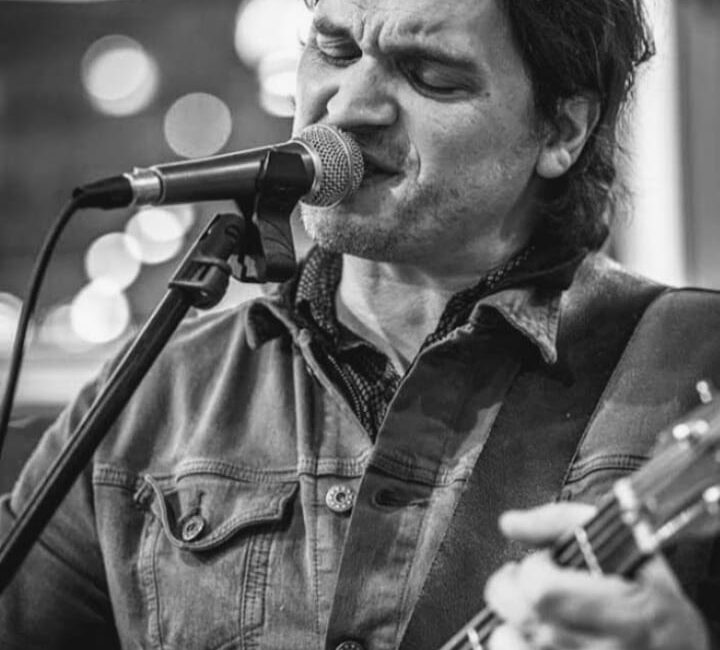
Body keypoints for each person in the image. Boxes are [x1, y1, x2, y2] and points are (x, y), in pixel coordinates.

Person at [1, 0, 719, 648]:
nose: (348, 106)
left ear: (562, 130)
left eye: (430, 73)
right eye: (335, 50)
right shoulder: (152, 394)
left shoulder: (694, 362)